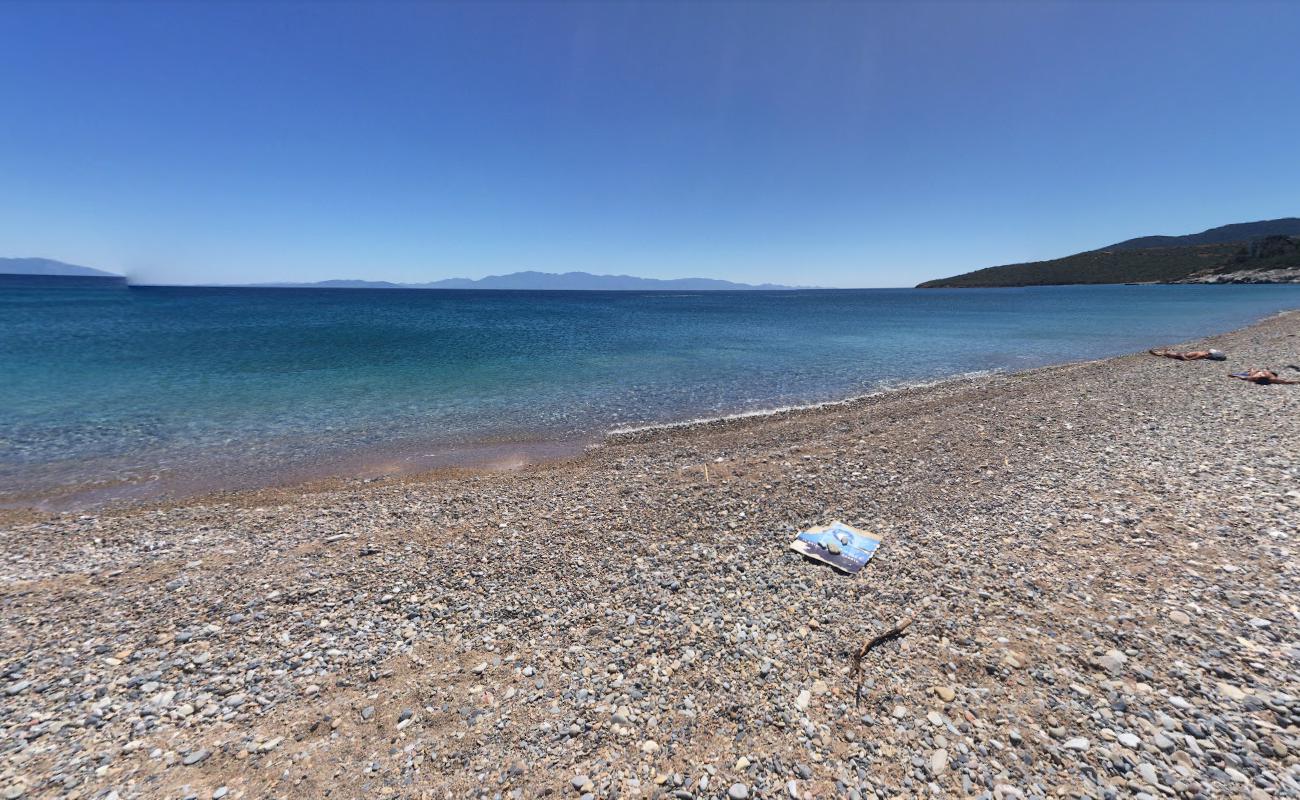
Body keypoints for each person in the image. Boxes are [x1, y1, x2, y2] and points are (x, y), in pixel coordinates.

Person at [1229, 368, 1299, 385]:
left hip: (1256, 373)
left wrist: (1235, 375)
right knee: (1253, 371)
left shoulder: (1254, 377)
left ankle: (1251, 369)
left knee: (1252, 371)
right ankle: (1251, 369)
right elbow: (1285, 381)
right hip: (1261, 373)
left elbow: (1243, 377)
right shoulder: (1272, 378)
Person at [1149, 348, 1227, 361]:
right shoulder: (1204, 354)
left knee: (1167, 354)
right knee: (1168, 353)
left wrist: (1184, 358)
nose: (1207, 351)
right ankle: (1161, 352)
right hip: (1183, 354)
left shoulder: (1202, 355)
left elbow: (1192, 358)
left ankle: (1157, 354)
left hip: (1182, 355)